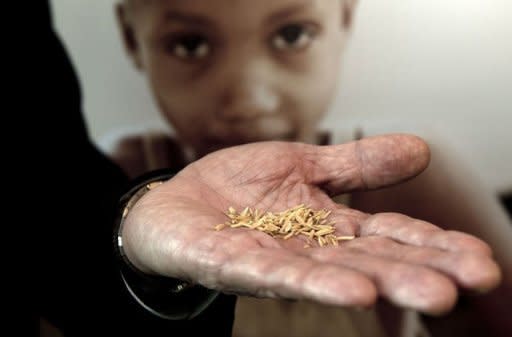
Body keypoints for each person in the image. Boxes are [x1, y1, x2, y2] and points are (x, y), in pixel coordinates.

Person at [37, 2, 502, 337]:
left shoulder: (413, 185)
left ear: (345, 16)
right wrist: (130, 231)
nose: (249, 101)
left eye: (292, 35)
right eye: (191, 44)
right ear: (129, 38)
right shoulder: (111, 179)